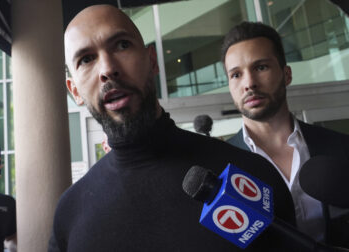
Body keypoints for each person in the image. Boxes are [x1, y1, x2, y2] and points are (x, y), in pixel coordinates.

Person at [49, 5, 297, 252]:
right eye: (86, 59)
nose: (107, 69)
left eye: (122, 45)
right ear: (74, 91)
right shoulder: (69, 214)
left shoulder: (251, 176)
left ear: (152, 61)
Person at [222, 21, 349, 247]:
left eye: (261, 67)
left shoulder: (340, 147)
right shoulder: (221, 164)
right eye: (236, 75)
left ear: (286, 74)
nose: (249, 83)